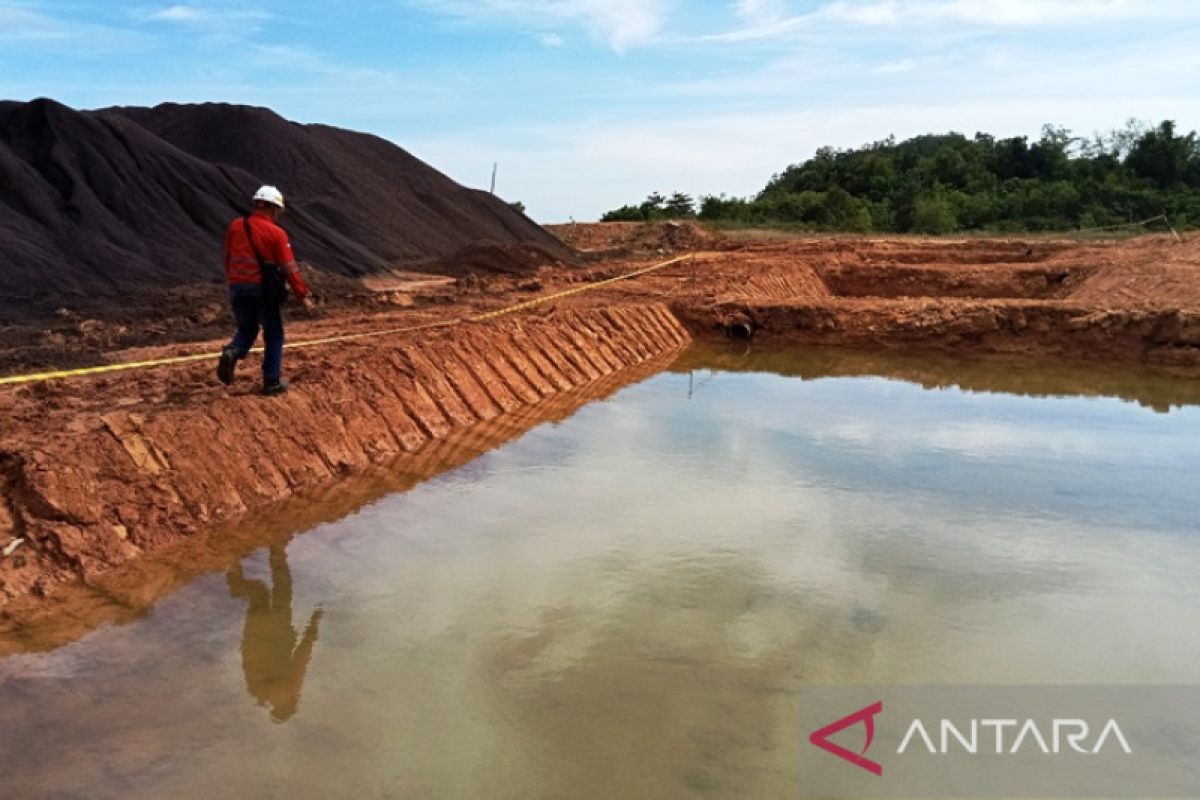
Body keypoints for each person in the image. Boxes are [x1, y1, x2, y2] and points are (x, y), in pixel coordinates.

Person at [218, 185, 312, 395]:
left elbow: (227, 257)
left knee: (247, 329)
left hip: (237, 287)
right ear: (273, 208)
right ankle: (272, 382)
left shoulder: (235, 226)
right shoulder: (276, 233)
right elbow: (289, 267)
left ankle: (233, 351)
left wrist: (234, 281)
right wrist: (302, 295)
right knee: (274, 334)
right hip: (262, 291)